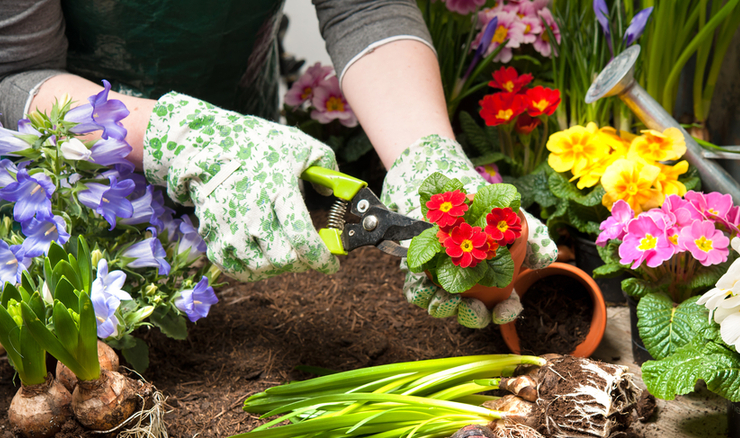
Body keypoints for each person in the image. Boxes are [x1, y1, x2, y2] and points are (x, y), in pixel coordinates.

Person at [0, 0, 557, 329]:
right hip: (71, 171)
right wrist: (185, 138)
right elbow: (15, 71)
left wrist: (426, 156)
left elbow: (363, 8)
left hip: (253, 146)